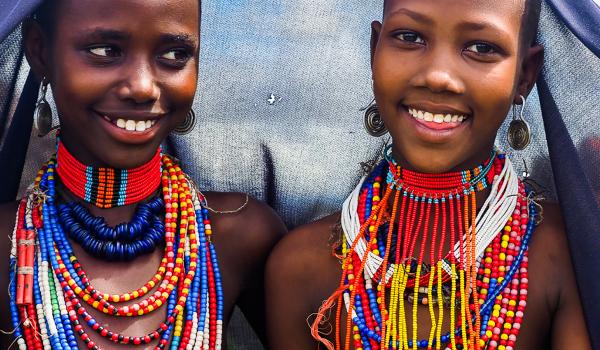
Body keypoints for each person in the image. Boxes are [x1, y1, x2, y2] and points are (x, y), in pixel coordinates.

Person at [266, 0, 591, 349]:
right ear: (375, 50)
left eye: (481, 48)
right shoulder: (301, 266)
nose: (438, 76)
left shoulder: (564, 250)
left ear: (525, 74)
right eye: (409, 37)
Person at [0, 1, 286, 349]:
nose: (143, 87)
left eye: (175, 54)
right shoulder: (8, 245)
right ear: (40, 51)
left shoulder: (239, 235)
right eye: (105, 50)